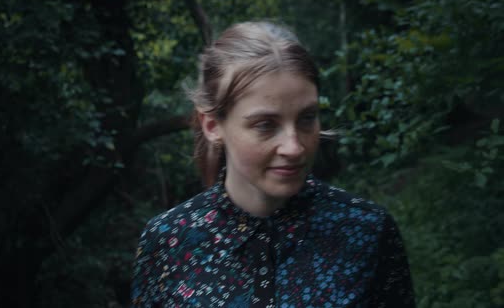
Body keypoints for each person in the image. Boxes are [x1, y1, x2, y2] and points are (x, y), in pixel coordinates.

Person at [130, 21, 415, 307]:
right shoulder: (168, 240)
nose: (294, 147)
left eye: (306, 118)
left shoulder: (366, 230)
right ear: (213, 125)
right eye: (265, 125)